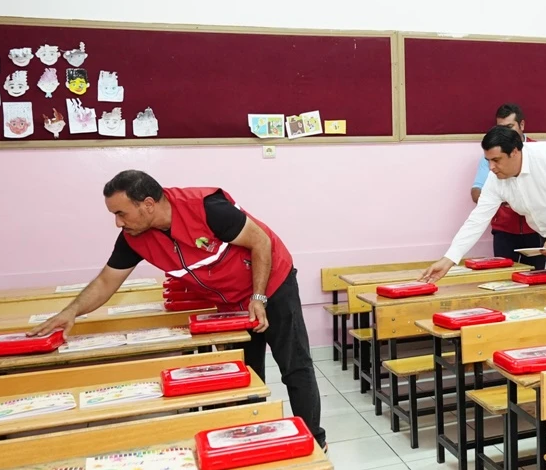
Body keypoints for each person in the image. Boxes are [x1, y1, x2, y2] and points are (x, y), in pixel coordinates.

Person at [29, 170, 327, 449]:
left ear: (148, 204)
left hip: (271, 284)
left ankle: (314, 442)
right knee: (243, 373)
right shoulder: (134, 238)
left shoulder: (207, 208)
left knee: (294, 365)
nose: (118, 223)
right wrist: (71, 312)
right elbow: (106, 281)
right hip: (229, 299)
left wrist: (259, 298)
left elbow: (260, 241)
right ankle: (249, 442)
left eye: (121, 213)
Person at [423, 126, 546, 285]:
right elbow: (477, 219)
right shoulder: (495, 179)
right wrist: (448, 259)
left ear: (514, 152)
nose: (491, 167)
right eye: (488, 160)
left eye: (496, 160)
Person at [470, 103, 542, 262]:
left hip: (536, 229)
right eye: (500, 128)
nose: (505, 133)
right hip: (504, 231)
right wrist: (502, 199)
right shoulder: (490, 157)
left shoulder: (538, 152)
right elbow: (476, 193)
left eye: (510, 127)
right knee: (504, 274)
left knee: (535, 274)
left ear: (522, 125)